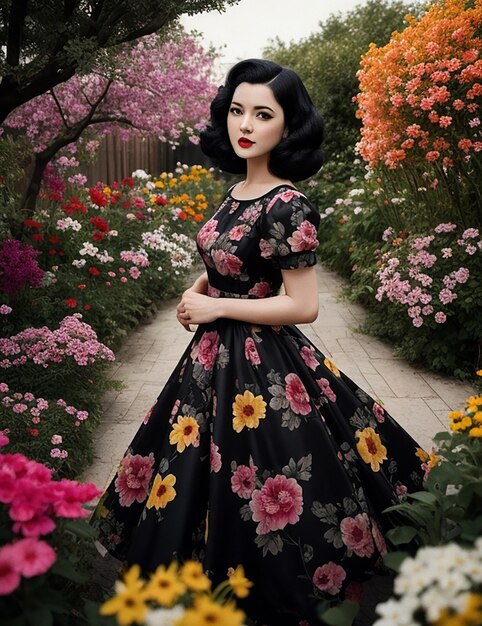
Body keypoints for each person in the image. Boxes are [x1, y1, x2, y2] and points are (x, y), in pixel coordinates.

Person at [92, 59, 423, 626]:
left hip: (263, 365)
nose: (244, 124)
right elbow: (229, 260)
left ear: (287, 127)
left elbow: (303, 304)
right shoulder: (239, 187)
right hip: (209, 360)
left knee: (274, 475)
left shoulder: (287, 203)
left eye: (263, 114)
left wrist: (217, 306)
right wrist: (202, 286)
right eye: (237, 110)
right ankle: (208, 579)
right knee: (199, 471)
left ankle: (282, 588)